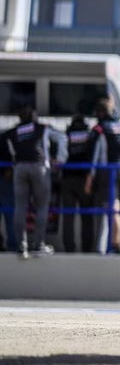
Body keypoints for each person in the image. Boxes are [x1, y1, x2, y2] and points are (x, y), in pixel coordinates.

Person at [1, 106, 68, 258]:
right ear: (34, 117)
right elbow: (62, 137)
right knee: (42, 206)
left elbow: (7, 148)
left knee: (20, 207)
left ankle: (21, 245)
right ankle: (38, 245)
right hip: (40, 167)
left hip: (19, 168)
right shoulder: (42, 128)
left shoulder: (12, 132)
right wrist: (60, 160)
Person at [91, 96, 120, 254]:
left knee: (113, 208)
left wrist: (91, 176)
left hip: (110, 171)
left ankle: (115, 245)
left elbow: (95, 155)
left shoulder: (101, 128)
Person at [58, 114, 98, 253]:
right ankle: (87, 249)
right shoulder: (90, 136)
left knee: (68, 217)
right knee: (86, 217)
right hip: (85, 179)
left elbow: (61, 158)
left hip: (68, 178)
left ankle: (69, 248)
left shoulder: (66, 136)